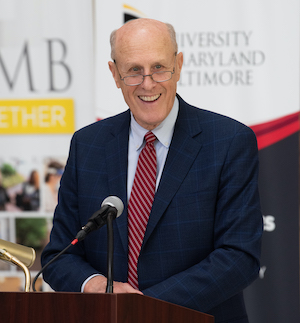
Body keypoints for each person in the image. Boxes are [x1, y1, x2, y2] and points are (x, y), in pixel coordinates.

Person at [41, 18, 262, 323]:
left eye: (159, 67)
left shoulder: (228, 141)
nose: (148, 83)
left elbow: (240, 257)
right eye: (133, 71)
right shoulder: (87, 145)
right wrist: (95, 286)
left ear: (179, 65)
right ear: (115, 74)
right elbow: (59, 255)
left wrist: (143, 307)